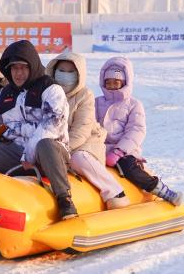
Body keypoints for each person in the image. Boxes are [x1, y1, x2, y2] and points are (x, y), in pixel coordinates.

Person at [0, 39, 77, 220]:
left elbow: (52, 125)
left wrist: (29, 155)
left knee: (45, 144)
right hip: (17, 152)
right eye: (14, 68)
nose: (18, 73)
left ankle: (64, 199)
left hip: (49, 153)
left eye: (23, 68)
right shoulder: (6, 93)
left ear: (32, 66)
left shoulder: (50, 89)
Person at [47, 51, 129, 210]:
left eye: (70, 72)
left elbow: (81, 131)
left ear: (78, 74)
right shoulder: (48, 94)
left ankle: (115, 192)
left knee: (78, 158)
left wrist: (61, 151)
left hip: (85, 144)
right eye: (61, 71)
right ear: (54, 71)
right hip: (56, 146)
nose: (65, 75)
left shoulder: (85, 95)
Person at [96, 56, 183, 205]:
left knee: (129, 168)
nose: (111, 86)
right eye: (108, 82)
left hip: (123, 151)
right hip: (98, 148)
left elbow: (136, 130)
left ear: (125, 82)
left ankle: (161, 190)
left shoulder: (133, 104)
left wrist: (119, 151)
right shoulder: (96, 102)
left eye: (116, 82)